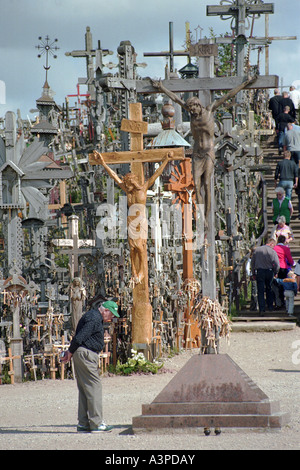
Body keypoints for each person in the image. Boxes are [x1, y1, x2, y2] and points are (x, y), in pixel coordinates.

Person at [150, 75, 257, 224]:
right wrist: (161, 87)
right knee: (196, 185)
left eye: (194, 108)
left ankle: (207, 217)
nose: (192, 111)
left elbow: (228, 96)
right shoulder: (190, 111)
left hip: (208, 151)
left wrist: (245, 83)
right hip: (197, 152)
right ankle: (202, 217)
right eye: (190, 109)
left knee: (206, 184)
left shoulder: (209, 110)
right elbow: (175, 98)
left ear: (199, 106)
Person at [61, 300, 120, 433]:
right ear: (105, 311)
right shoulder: (94, 318)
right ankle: (96, 423)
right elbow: (80, 336)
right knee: (94, 386)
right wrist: (69, 351)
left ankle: (83, 423)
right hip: (86, 353)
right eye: (111, 315)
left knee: (84, 388)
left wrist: (72, 351)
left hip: (81, 353)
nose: (112, 318)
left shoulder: (93, 316)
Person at [250, 238, 280, 315]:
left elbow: (252, 263)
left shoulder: (257, 250)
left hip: (260, 271)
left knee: (260, 290)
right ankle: (270, 307)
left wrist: (253, 273)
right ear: (271, 244)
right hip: (269, 271)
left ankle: (262, 309)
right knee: (269, 288)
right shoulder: (272, 251)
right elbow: (277, 264)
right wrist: (275, 272)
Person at [273, 235, 295, 308]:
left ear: (278, 240)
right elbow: (289, 258)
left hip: (274, 267)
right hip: (283, 267)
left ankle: (277, 301)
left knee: (276, 284)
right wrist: (292, 263)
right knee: (283, 283)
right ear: (284, 241)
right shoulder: (286, 248)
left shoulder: (274, 248)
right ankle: (282, 300)